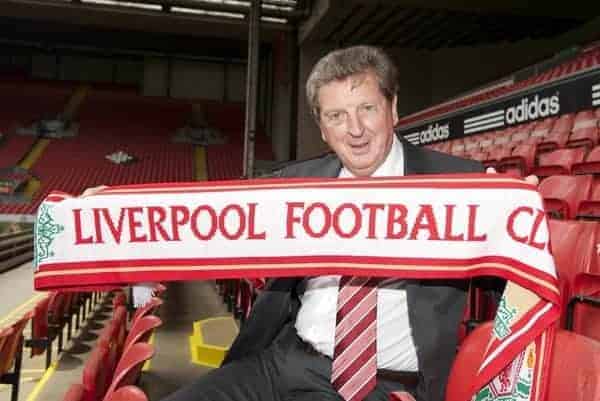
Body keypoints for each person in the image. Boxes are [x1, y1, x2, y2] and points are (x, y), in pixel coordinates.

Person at [163, 45, 491, 401]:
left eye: (367, 109)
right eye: (336, 116)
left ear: (393, 108)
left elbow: (514, 281)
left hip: (386, 385)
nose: (355, 129)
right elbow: (205, 222)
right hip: (285, 361)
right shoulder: (295, 184)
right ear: (322, 128)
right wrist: (108, 212)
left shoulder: (458, 184)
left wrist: (520, 216)